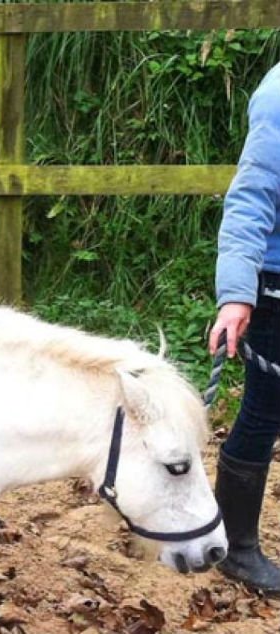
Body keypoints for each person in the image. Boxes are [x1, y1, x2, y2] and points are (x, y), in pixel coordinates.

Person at [208, 61, 280, 593]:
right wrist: (236, 294)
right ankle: (238, 547)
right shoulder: (279, 96)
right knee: (264, 407)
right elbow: (251, 196)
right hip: (275, 278)